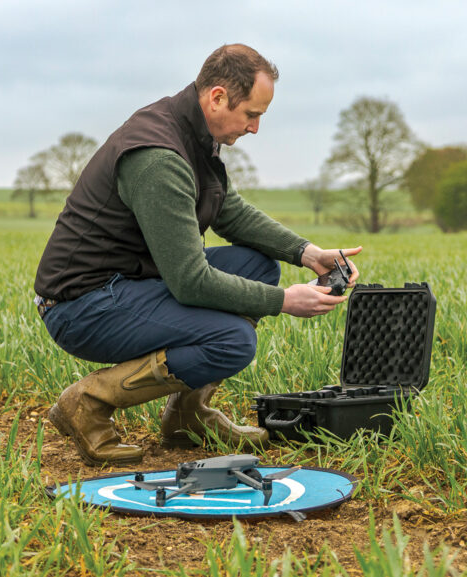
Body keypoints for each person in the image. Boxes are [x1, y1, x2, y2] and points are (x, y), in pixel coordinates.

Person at [33, 43, 360, 467]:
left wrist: (307, 253)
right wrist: (284, 301)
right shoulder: (159, 158)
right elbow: (190, 281)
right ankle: (89, 401)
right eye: (252, 114)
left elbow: (228, 210)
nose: (256, 128)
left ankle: (187, 417)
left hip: (130, 283)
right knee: (232, 341)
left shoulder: (193, 134)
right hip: (82, 305)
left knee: (257, 265)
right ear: (218, 97)